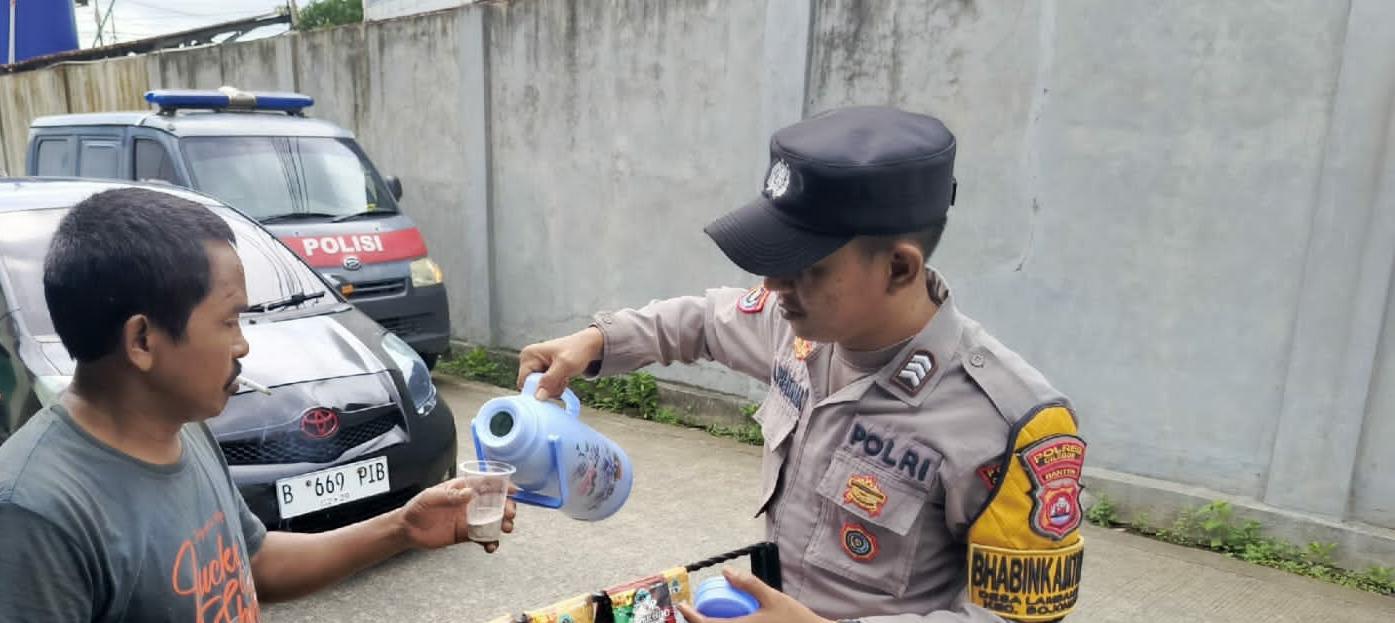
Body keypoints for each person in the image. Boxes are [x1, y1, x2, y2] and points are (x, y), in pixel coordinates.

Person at [518, 106, 1085, 622]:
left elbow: (1015, 621)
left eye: (804, 265)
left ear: (898, 269)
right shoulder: (803, 325)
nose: (772, 285)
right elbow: (705, 320)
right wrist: (596, 340)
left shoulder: (1008, 423)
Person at [0, 188, 517, 622]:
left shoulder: (183, 429)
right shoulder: (35, 514)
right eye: (229, 321)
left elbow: (253, 561)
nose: (242, 345)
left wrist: (403, 528)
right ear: (142, 340)